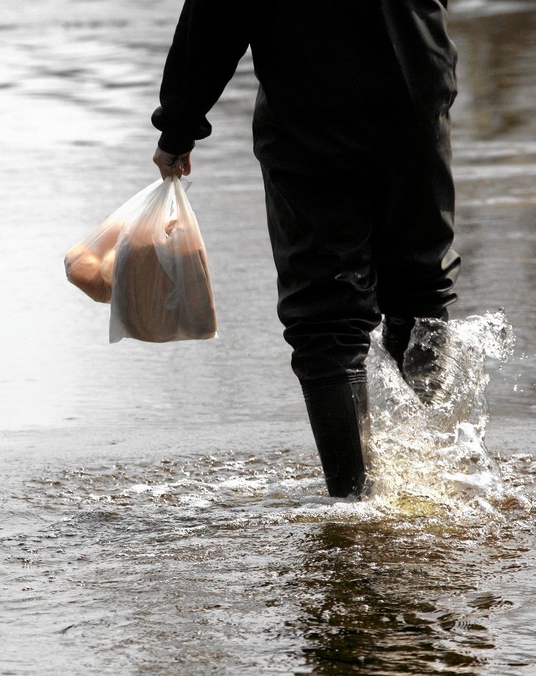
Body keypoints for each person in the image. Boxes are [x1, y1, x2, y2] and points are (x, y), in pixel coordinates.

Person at [151, 0, 462, 497]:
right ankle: (446, 479)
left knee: (326, 313)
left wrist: (178, 126)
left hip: (310, 109)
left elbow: (214, 18)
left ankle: (356, 501)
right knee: (421, 285)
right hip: (415, 92)